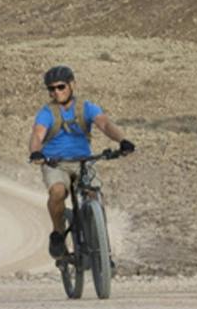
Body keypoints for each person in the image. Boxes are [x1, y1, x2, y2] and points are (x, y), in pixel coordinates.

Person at [27, 65, 134, 259]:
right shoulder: (47, 112)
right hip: (55, 163)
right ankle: (58, 233)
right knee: (58, 191)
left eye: (60, 87)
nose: (56, 92)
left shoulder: (86, 107)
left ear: (72, 85)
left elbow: (105, 124)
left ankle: (102, 251)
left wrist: (122, 140)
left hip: (84, 161)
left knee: (95, 196)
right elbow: (37, 134)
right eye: (51, 89)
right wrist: (36, 152)